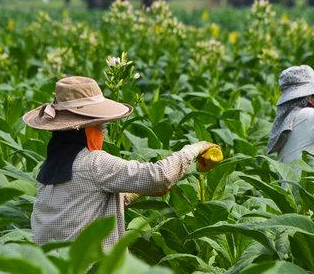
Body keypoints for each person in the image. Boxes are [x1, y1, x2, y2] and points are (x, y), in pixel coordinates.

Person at [23, 76, 217, 248]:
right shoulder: (95, 163)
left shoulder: (48, 168)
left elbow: (85, 204)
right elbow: (160, 177)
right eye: (101, 127)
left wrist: (135, 190)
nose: (103, 134)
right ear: (86, 130)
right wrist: (196, 148)